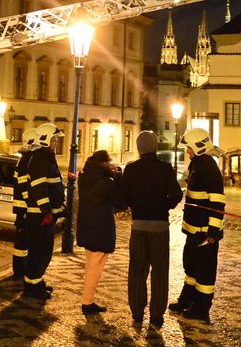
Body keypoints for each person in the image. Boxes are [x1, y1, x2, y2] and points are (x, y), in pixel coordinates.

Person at [119, 130, 184, 328]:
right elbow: (176, 195)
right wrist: (164, 206)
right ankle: (157, 315)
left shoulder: (131, 169)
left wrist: (135, 206)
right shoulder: (165, 169)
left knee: (137, 271)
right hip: (160, 228)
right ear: (155, 146)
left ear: (139, 147)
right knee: (159, 272)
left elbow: (123, 197)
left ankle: (137, 312)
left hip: (139, 227)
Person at [169, 127, 226, 325]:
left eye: (189, 148)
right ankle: (187, 300)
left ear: (198, 147)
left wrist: (213, 231)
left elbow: (217, 201)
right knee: (191, 266)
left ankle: (202, 309)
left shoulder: (208, 167)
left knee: (205, 272)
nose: (187, 151)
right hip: (194, 230)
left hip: (204, 232)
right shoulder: (198, 165)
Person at [20, 123, 66, 300]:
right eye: (54, 139)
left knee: (41, 251)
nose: (56, 142)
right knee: (40, 252)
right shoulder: (40, 158)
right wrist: (46, 211)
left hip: (43, 214)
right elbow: (39, 188)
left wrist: (58, 209)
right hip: (40, 216)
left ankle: (35, 282)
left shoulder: (44, 157)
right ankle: (31, 287)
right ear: (45, 140)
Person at [76, 149, 121, 315]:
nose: (110, 164)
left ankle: (88, 300)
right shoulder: (105, 182)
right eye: (108, 162)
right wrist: (118, 178)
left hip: (87, 226)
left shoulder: (85, 176)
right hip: (100, 228)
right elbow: (120, 200)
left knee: (90, 265)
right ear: (103, 163)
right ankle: (87, 302)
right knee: (94, 268)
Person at [11, 127, 39, 281]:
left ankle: (20, 270)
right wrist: (31, 202)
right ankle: (20, 271)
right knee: (23, 243)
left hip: (23, 208)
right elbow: (24, 185)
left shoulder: (25, 159)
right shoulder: (26, 160)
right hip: (24, 208)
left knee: (22, 243)